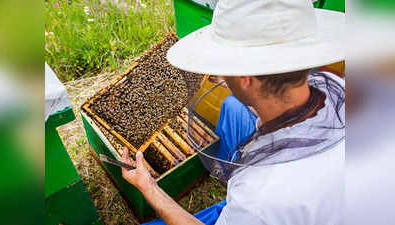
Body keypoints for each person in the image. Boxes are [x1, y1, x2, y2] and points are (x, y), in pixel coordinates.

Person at [121, 0, 345, 224]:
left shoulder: (257, 199)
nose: (221, 75)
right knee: (233, 106)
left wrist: (148, 187)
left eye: (226, 69)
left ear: (245, 78)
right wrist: (245, 90)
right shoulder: (335, 85)